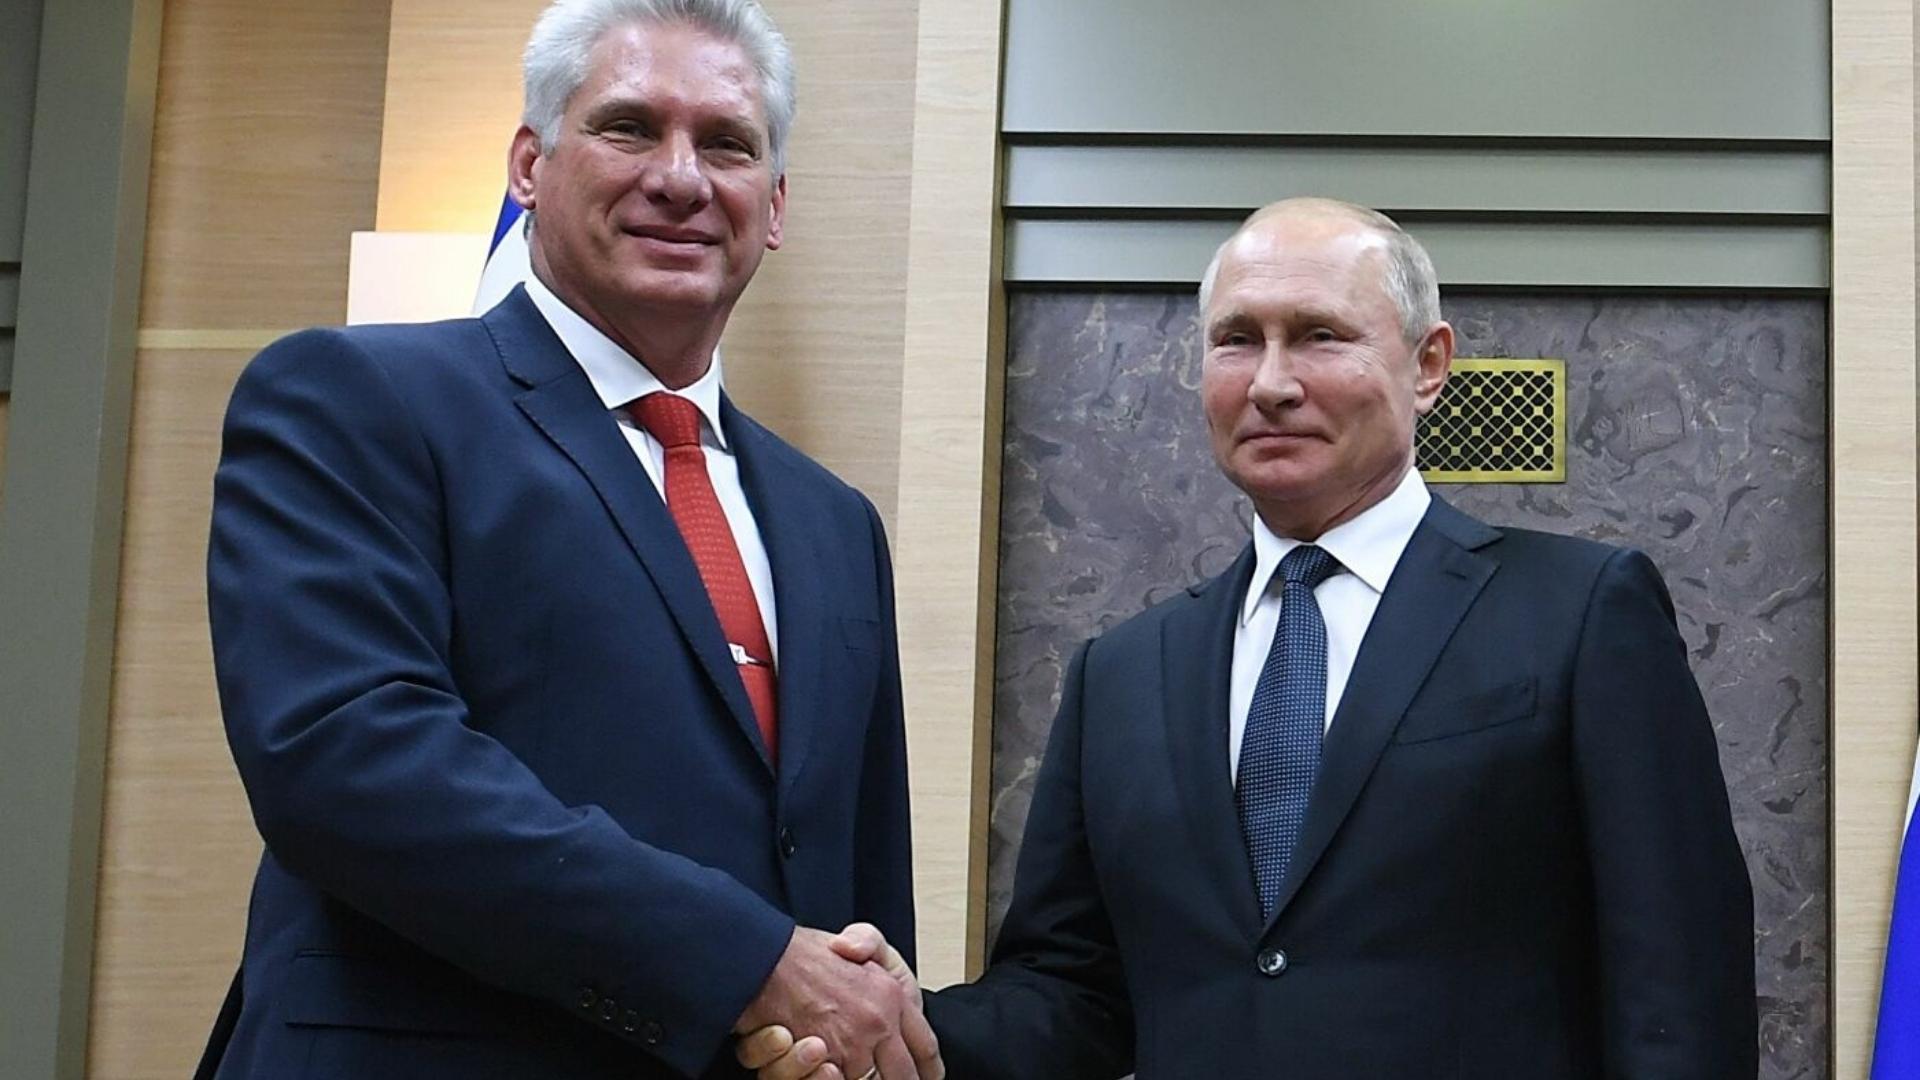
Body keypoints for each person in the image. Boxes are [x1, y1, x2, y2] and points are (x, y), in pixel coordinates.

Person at [741, 198, 1758, 1078]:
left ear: (1429, 364)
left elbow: (1676, 979)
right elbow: (1073, 998)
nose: (1270, 380)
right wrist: (898, 1034)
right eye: (1237, 340)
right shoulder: (1124, 675)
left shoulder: (1580, 612)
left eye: (1319, 335)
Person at [196, 1, 940, 1077]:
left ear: (772, 207)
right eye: (629, 127)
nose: (682, 178)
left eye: (727, 144)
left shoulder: (836, 524)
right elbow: (349, 759)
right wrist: (750, 962)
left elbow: (857, 901)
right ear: (529, 164)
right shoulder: (358, 398)